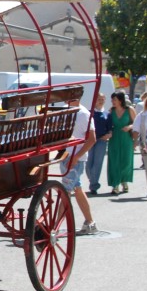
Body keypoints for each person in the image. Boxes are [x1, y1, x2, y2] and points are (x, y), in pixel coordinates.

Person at [60, 96, 98, 234]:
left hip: (75, 158)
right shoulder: (63, 111)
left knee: (65, 191)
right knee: (77, 189)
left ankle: (54, 225)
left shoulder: (84, 114)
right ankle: (90, 222)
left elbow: (92, 139)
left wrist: (76, 156)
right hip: (67, 156)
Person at [107, 91, 136, 195]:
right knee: (114, 161)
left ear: (120, 100)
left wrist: (129, 127)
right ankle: (115, 185)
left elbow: (136, 123)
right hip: (114, 138)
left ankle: (124, 181)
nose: (113, 102)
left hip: (126, 138)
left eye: (115, 99)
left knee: (126, 161)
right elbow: (108, 125)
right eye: (112, 100)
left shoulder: (129, 110)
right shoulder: (111, 111)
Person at [85, 93, 111, 195]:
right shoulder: (89, 113)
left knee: (98, 163)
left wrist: (109, 134)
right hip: (90, 140)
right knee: (88, 163)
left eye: (102, 99)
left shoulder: (107, 114)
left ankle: (94, 185)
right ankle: (93, 180)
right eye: (99, 99)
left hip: (101, 140)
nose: (101, 101)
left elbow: (110, 129)